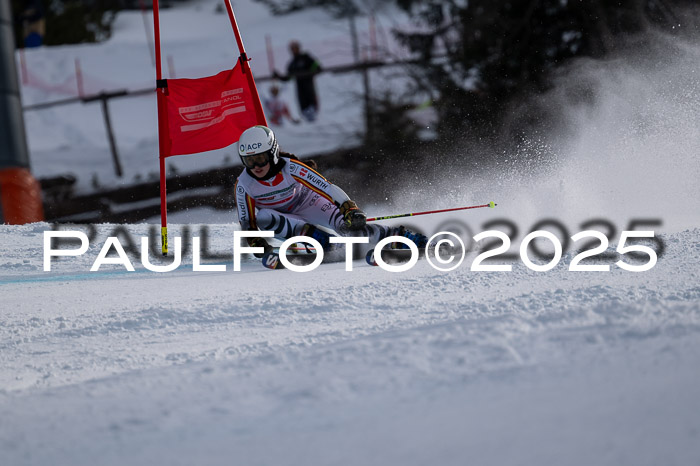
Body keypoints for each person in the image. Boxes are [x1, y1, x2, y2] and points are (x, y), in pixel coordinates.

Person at [234, 125, 427, 261]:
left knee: (349, 226)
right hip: (284, 218)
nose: (256, 166)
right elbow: (247, 223)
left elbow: (326, 187)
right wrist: (255, 242)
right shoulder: (244, 185)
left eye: (260, 158)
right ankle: (325, 243)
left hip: (308, 203)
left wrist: (349, 209)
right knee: (265, 218)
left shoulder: (292, 168)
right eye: (249, 161)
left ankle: (399, 238)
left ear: (273, 153)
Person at [273, 41, 321, 122]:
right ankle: (305, 112)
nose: (294, 50)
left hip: (308, 84)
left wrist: (310, 72)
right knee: (302, 100)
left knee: (310, 97)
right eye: (292, 49)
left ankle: (312, 111)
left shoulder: (306, 58)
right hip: (300, 87)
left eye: (295, 48)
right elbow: (288, 78)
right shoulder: (292, 64)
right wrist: (278, 76)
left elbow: (317, 67)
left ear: (299, 48)